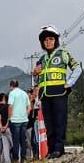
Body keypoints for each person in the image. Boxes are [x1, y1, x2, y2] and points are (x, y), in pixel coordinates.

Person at [33, 26, 79, 156]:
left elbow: (77, 68)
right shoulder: (41, 59)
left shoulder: (63, 53)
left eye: (50, 39)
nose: (48, 42)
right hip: (45, 94)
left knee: (60, 121)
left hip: (59, 92)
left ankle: (59, 148)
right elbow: (38, 75)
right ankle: (51, 149)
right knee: (49, 123)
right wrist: (35, 73)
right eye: (45, 40)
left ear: (56, 40)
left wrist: (70, 82)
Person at [7, 79, 31, 163]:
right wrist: (26, 115)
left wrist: (9, 117)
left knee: (16, 140)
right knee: (22, 140)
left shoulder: (12, 93)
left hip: (15, 120)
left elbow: (10, 106)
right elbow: (29, 107)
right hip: (24, 120)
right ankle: (23, 158)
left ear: (11, 86)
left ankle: (16, 159)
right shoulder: (24, 93)